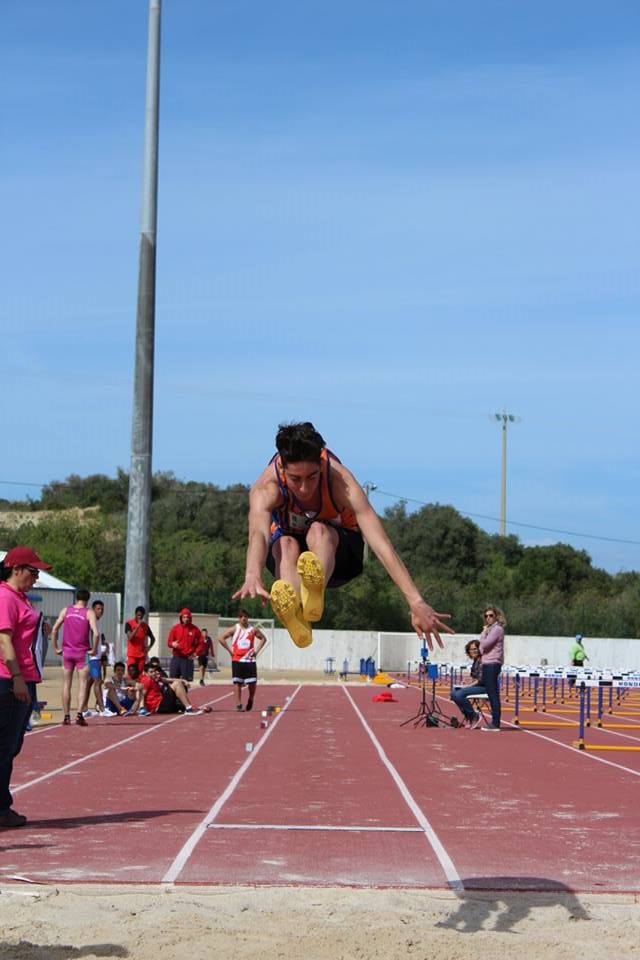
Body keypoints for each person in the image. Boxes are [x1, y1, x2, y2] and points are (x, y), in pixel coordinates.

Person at [233, 421, 453, 649]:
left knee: (318, 530)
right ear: (282, 468)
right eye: (295, 479)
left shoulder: (340, 481)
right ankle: (297, 615)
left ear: (321, 465)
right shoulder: (266, 487)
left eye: (312, 477)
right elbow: (258, 534)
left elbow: (381, 543)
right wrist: (252, 573)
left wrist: (415, 601)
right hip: (289, 558)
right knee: (284, 543)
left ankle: (314, 588)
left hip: (340, 557)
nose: (304, 488)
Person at [0, 546, 52, 828]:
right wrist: (17, 677)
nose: (36, 578)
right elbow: (3, 640)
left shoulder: (20, 598)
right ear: (16, 569)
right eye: (33, 572)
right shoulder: (5, 597)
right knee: (4, 746)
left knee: (12, 745)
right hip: (9, 680)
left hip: (24, 678)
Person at [51, 588, 100, 727]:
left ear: (76, 598)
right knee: (82, 684)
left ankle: (66, 716)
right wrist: (93, 650)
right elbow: (96, 634)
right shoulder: (89, 613)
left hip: (67, 652)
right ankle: (79, 715)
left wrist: (55, 648)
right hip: (82, 653)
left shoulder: (66, 610)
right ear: (87, 599)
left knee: (66, 684)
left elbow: (54, 629)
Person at [217, 609, 267, 712]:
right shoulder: (234, 628)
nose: (243, 618)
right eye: (241, 616)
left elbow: (263, 639)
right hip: (237, 659)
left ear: (248, 617)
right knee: (237, 682)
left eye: (245, 616)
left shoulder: (253, 629)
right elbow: (221, 638)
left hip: (249, 660)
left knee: (252, 683)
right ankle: (238, 704)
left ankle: (251, 698)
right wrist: (230, 651)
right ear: (238, 618)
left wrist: (256, 651)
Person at [478, 605, 505, 732]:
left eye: (491, 615)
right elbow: (481, 648)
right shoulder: (490, 630)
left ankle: (495, 722)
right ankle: (494, 721)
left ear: (496, 616)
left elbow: (484, 644)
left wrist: (483, 633)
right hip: (487, 663)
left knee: (493, 693)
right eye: (486, 616)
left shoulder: (497, 629)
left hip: (492, 664)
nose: (488, 618)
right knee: (490, 692)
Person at [137, 663, 201, 716]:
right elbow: (142, 694)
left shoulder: (155, 678)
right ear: (145, 673)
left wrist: (184, 680)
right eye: (151, 672)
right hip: (158, 706)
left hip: (163, 704)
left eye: (154, 671)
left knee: (179, 683)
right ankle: (188, 708)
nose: (153, 673)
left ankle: (189, 707)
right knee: (177, 684)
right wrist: (141, 708)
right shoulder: (146, 679)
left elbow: (168, 679)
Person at [450, 639, 485, 728]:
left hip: (484, 687)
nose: (473, 651)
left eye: (475, 649)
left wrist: (468, 686)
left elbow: (481, 679)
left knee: (459, 694)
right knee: (453, 692)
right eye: (471, 649)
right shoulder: (475, 661)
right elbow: (473, 677)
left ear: (479, 649)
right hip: (477, 686)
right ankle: (468, 716)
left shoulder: (483, 661)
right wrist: (466, 681)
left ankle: (474, 716)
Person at [81, 599, 106, 716]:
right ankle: (102, 709)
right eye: (98, 609)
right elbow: (89, 636)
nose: (101, 611)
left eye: (102, 609)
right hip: (93, 657)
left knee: (89, 683)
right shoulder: (91, 622)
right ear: (93, 609)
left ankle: (84, 708)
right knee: (98, 681)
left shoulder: (97, 622)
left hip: (96, 657)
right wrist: (92, 651)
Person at [167, 608, 202, 682]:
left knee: (186, 682)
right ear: (181, 618)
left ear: (190, 618)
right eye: (184, 617)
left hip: (187, 659)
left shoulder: (195, 629)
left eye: (187, 617)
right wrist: (172, 644)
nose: (186, 619)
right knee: (173, 680)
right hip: (176, 657)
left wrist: (196, 653)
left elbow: (201, 643)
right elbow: (169, 642)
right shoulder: (175, 628)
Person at [124, 606, 155, 676]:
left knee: (139, 675)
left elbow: (153, 638)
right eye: (138, 615)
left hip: (141, 655)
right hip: (132, 654)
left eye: (141, 616)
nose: (139, 617)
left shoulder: (145, 626)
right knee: (131, 674)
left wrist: (149, 647)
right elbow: (130, 637)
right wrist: (137, 627)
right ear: (135, 614)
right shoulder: (129, 623)